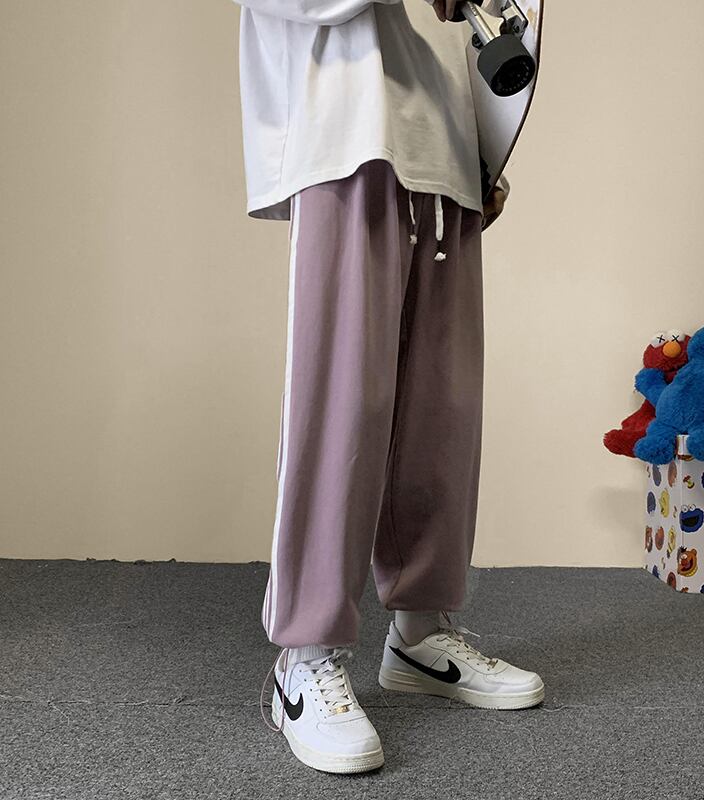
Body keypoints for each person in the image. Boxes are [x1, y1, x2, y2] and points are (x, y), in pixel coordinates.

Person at [235, 0, 544, 773]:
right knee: (343, 403)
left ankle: (419, 635)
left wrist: (484, 146)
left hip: (441, 136)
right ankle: (304, 656)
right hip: (343, 126)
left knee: (443, 411)